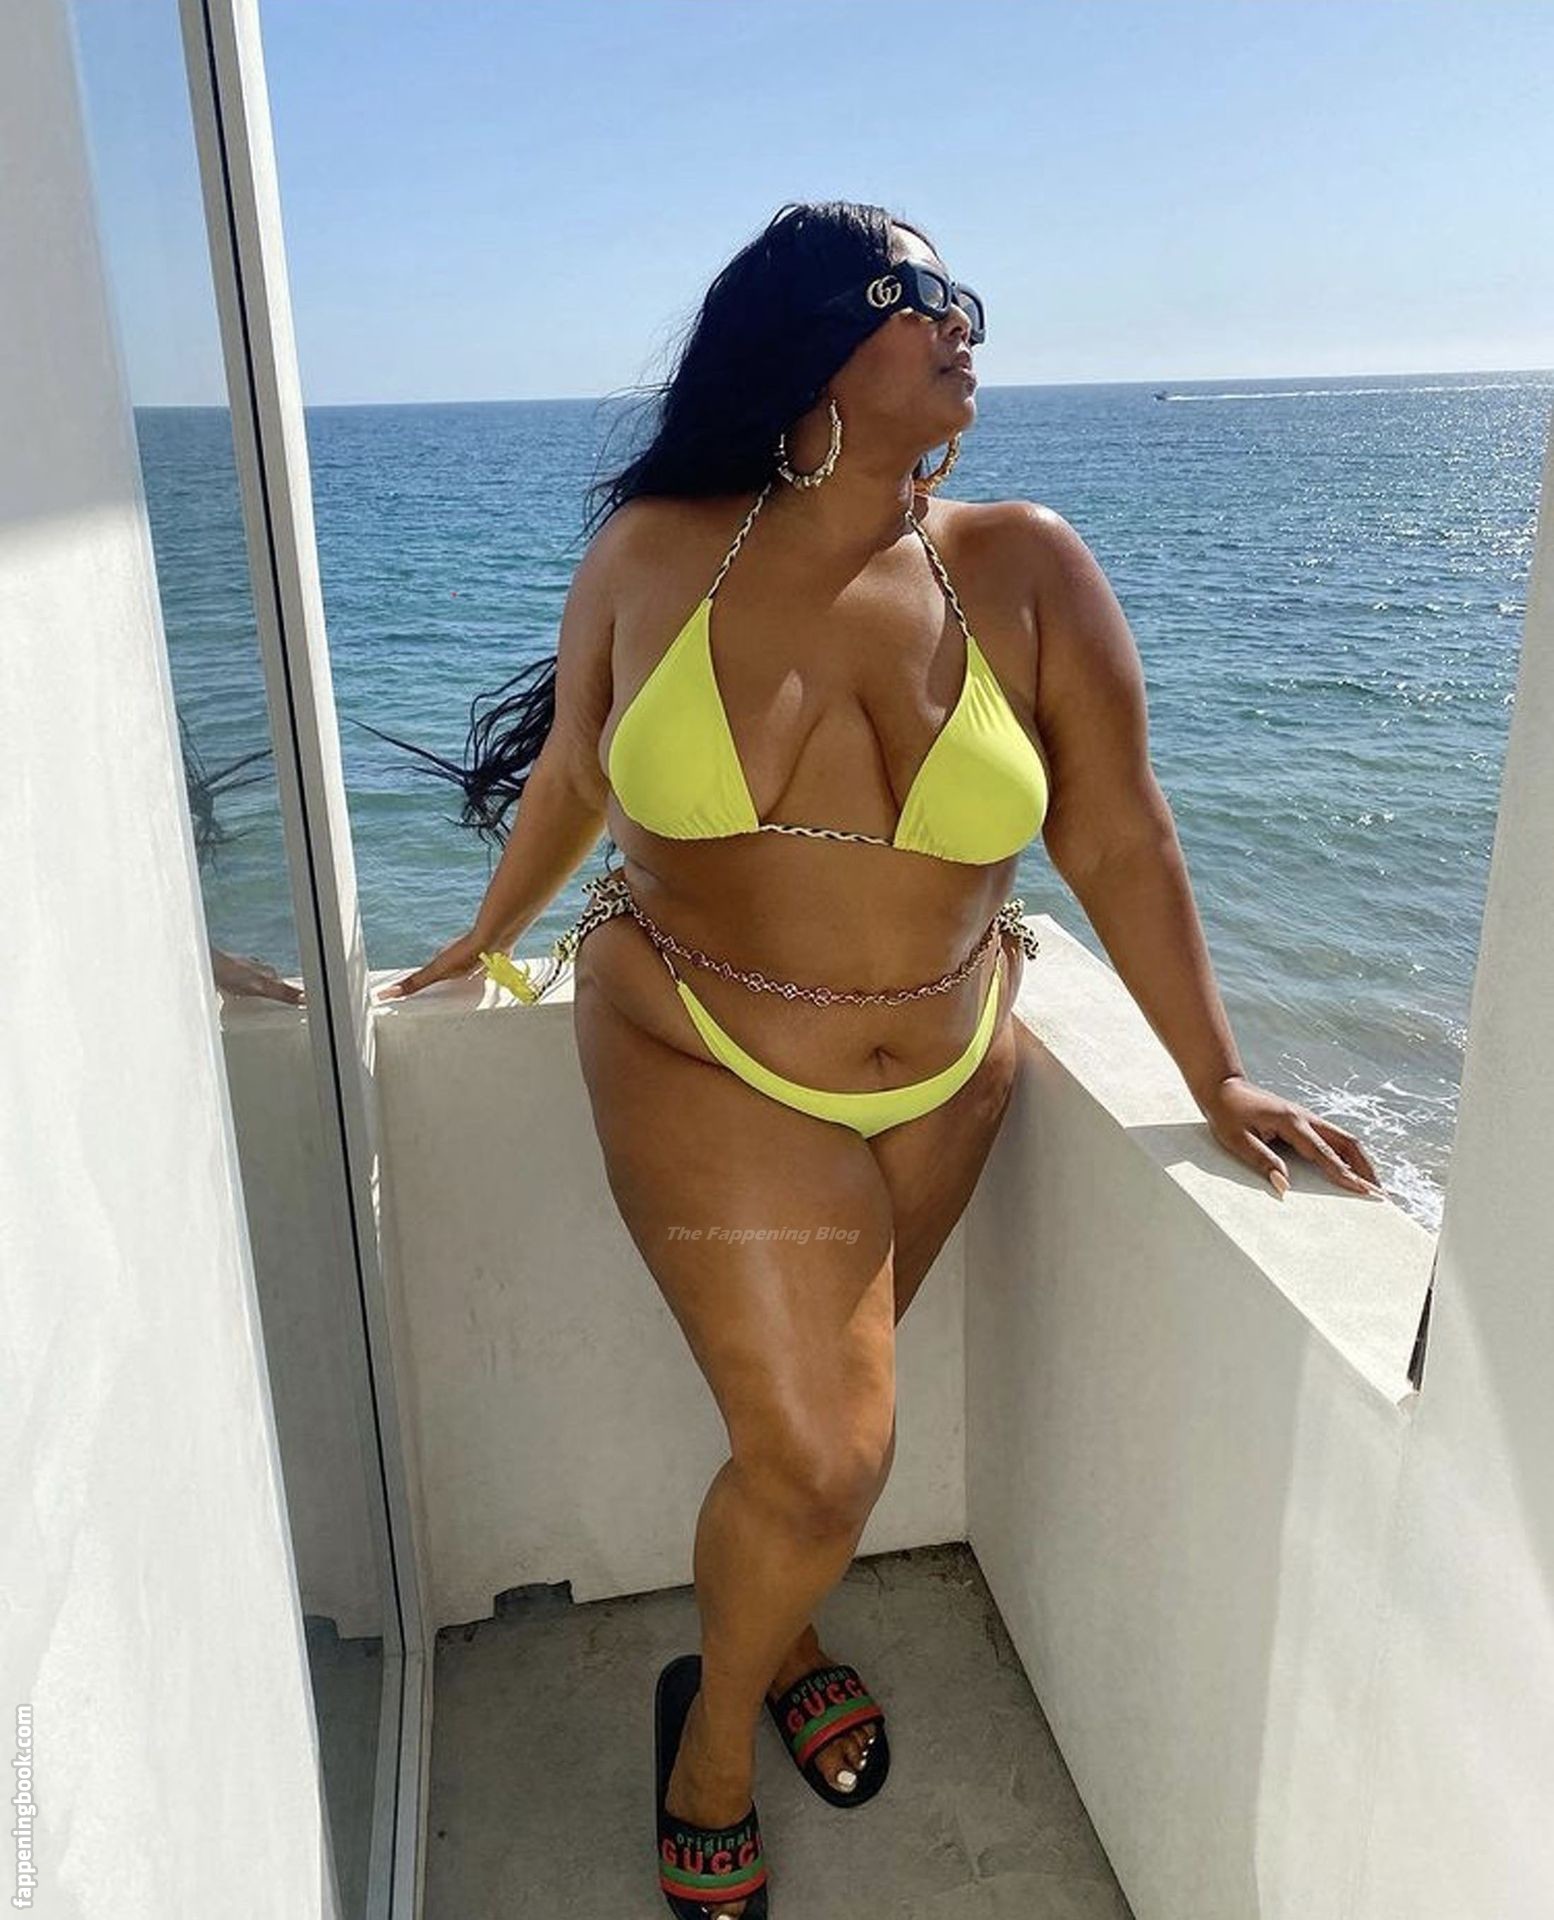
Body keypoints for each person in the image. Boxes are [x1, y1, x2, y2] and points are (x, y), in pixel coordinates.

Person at [375, 200, 1385, 1919]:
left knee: (806, 1447)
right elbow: (574, 774)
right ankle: (707, 1746)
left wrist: (1211, 1071)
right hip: (694, 1044)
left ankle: (782, 1631)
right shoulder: (656, 550)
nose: (960, 318)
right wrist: (482, 935)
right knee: (828, 1453)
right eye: (915, 292)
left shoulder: (1025, 565)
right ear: (805, 339)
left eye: (960, 293)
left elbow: (1119, 836)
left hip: (949, 1065)